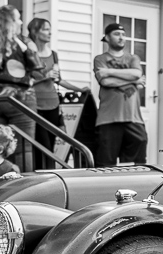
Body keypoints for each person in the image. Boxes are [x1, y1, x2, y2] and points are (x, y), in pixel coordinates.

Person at [0, 5, 41, 172]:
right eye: (17, 18)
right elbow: (37, 67)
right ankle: (23, 188)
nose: (20, 22)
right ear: (10, 23)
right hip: (20, 98)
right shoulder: (23, 43)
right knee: (23, 148)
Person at [28, 17, 89, 169]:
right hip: (35, 105)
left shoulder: (53, 54)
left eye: (50, 29)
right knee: (43, 145)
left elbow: (59, 80)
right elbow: (25, 81)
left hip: (53, 105)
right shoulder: (29, 54)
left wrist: (79, 89)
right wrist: (44, 77)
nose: (50, 33)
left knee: (51, 143)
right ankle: (44, 174)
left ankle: (49, 174)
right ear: (35, 32)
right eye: (45, 29)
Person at [93, 22, 148, 166]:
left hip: (133, 118)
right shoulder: (100, 59)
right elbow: (105, 82)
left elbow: (137, 73)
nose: (121, 37)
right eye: (117, 34)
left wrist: (109, 72)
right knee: (105, 164)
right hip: (108, 118)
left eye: (123, 34)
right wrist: (132, 81)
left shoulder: (133, 58)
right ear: (107, 38)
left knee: (137, 164)